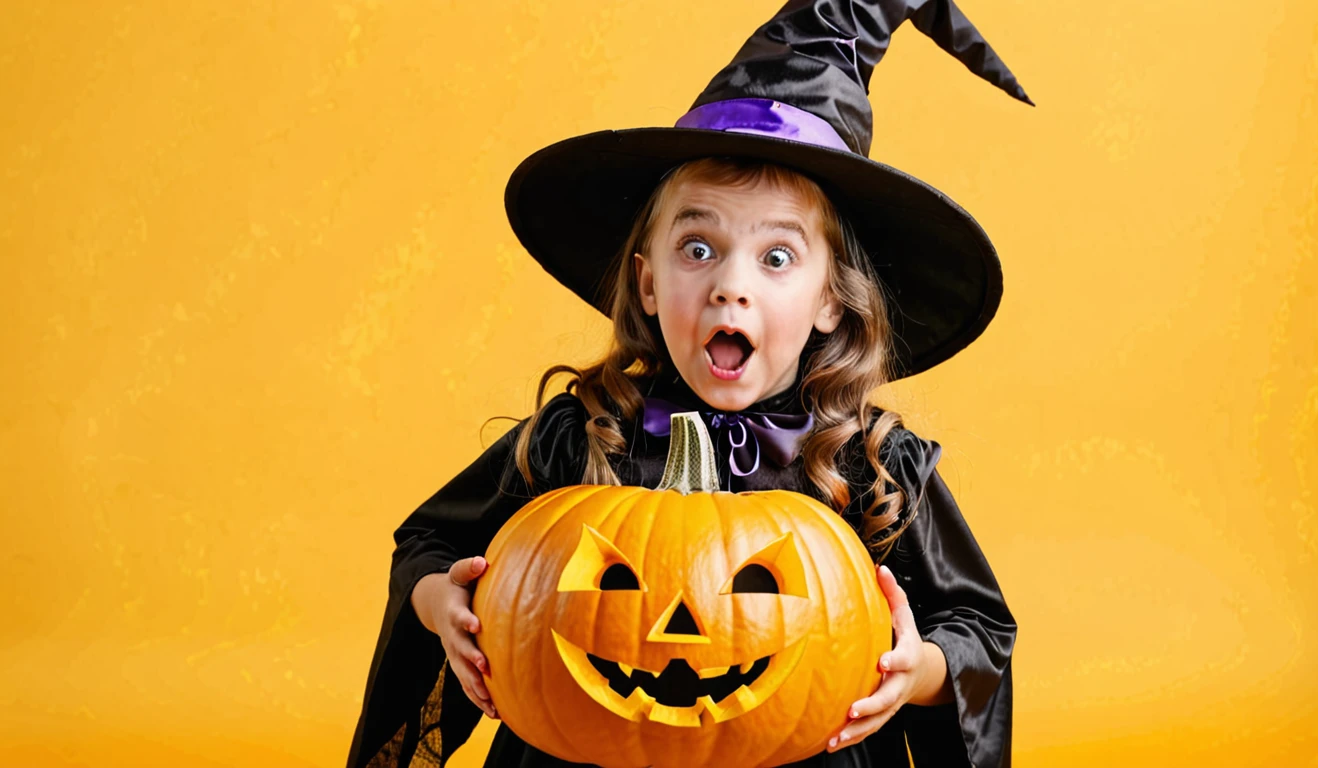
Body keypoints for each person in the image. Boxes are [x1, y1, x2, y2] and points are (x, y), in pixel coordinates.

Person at [347, 1, 1032, 766]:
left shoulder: (873, 464)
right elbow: (429, 541)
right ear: (646, 282)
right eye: (698, 247)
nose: (729, 288)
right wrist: (442, 603)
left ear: (830, 299)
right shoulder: (581, 434)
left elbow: (977, 631)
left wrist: (918, 671)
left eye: (776, 258)